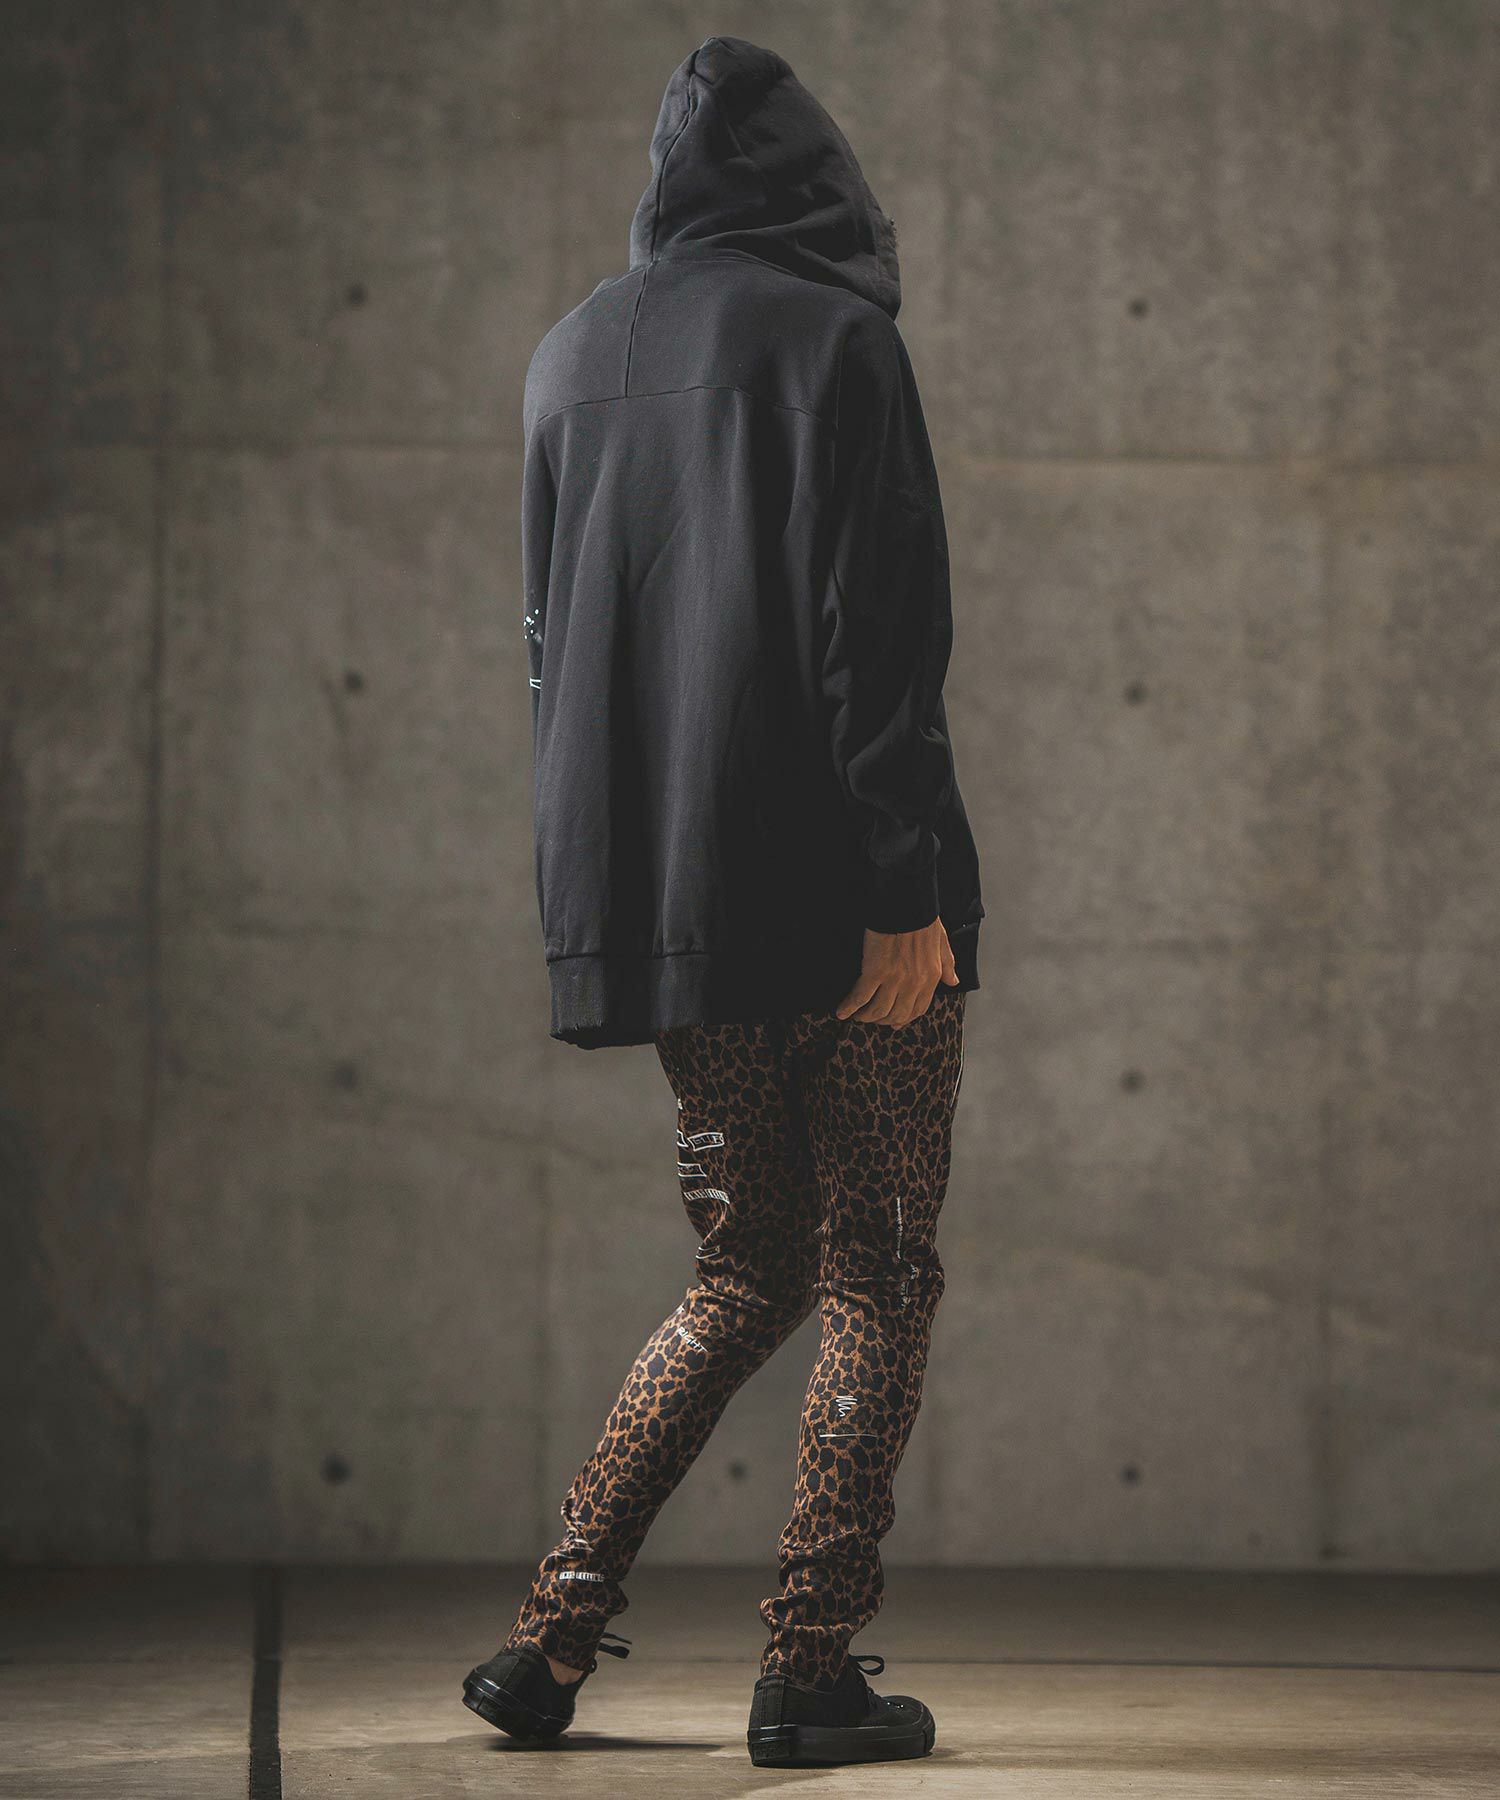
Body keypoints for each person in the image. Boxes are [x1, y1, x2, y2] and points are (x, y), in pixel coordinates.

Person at [462, 34, 983, 1769]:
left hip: (670, 901)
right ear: (818, 177)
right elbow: (879, 642)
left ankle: (548, 1641)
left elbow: (553, 659)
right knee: (873, 1269)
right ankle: (808, 1666)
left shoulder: (565, 361)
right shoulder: (836, 342)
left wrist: (604, 904)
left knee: (743, 1263)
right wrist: (905, 885)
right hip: (846, 891)